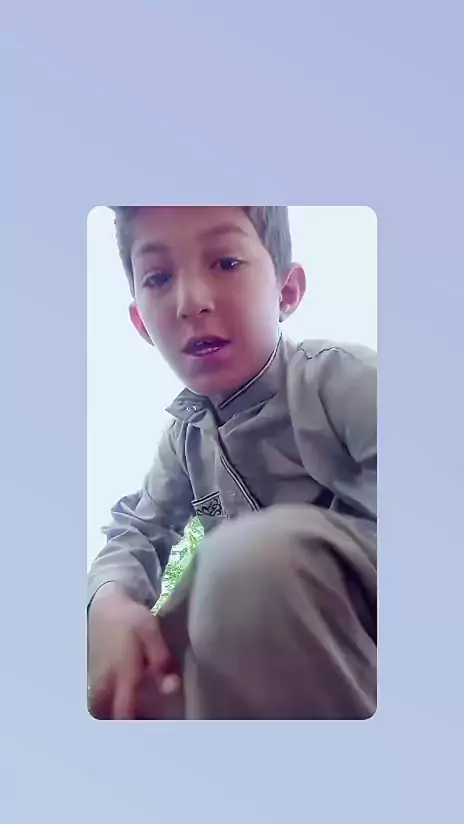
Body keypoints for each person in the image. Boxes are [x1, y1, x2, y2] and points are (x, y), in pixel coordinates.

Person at [87, 206, 377, 720]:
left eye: (225, 263)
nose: (191, 302)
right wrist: (110, 602)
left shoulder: (343, 380)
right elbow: (136, 531)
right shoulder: (185, 438)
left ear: (287, 292)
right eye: (158, 277)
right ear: (140, 323)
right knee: (135, 664)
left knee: (240, 564)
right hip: (264, 653)